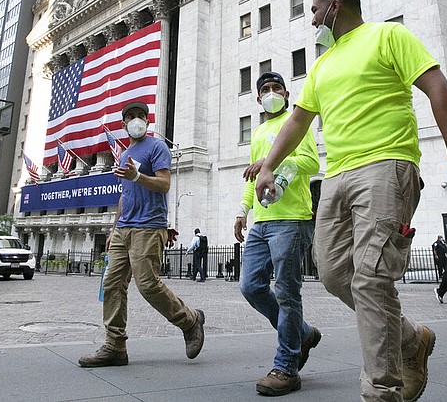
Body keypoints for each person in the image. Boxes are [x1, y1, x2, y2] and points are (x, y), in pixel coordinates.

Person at [254, 0, 447, 402]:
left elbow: (437, 86)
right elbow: (297, 121)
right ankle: (410, 340)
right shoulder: (322, 65)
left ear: (334, 8)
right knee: (331, 272)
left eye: (313, 11)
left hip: (386, 167)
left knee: (371, 280)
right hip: (336, 178)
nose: (310, 20)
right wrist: (269, 165)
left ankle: (382, 391)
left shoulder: (388, 35)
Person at [79, 101, 205, 367]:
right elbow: (125, 195)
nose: (136, 120)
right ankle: (115, 346)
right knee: (112, 285)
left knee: (147, 285)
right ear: (123, 124)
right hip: (123, 229)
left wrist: (138, 177)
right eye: (131, 117)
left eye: (141, 116)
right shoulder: (125, 155)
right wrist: (113, 230)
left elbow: (164, 184)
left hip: (149, 226)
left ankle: (190, 320)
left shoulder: (157, 147)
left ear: (147, 122)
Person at [236, 71, 322, 396]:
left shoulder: (296, 124)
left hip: (291, 218)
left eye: (276, 88)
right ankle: (302, 333)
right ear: (258, 99)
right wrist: (242, 212)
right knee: (250, 286)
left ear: (286, 93)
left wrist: (271, 160)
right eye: (265, 90)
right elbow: (251, 177)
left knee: (287, 291)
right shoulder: (257, 132)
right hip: (261, 220)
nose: (271, 93)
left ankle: (287, 365)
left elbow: (311, 161)